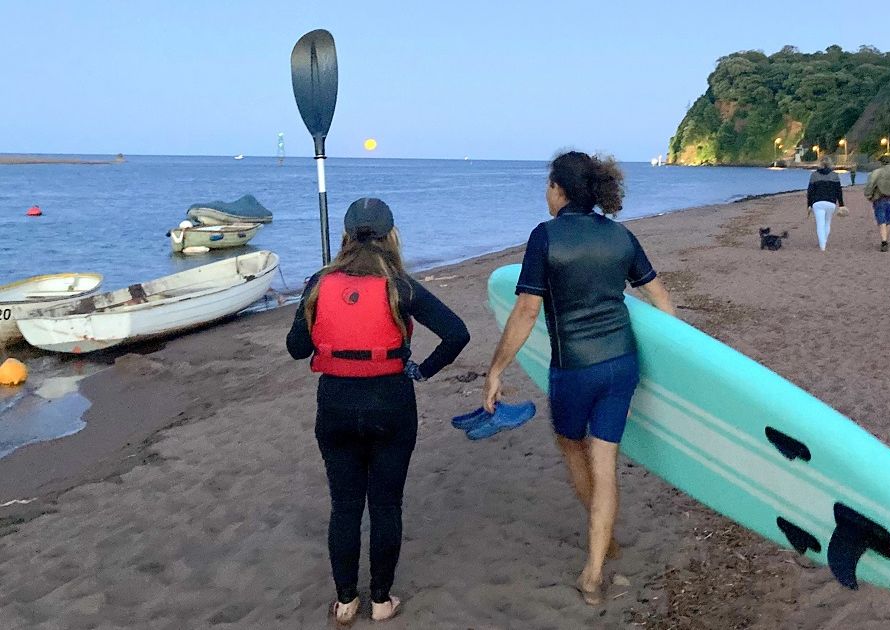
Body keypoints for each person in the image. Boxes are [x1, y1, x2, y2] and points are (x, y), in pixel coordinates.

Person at [483, 151, 675, 606]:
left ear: (560, 190)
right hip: (622, 362)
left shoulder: (545, 238)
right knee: (605, 461)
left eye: (548, 185)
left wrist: (496, 369)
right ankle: (595, 568)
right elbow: (661, 300)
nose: (545, 193)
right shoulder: (621, 236)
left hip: (574, 369)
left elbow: (527, 311)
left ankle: (603, 542)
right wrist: (669, 369)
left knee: (572, 446)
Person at [287, 197, 470, 625]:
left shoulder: (319, 282)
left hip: (335, 405)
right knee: (386, 505)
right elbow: (457, 333)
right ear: (391, 236)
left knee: (345, 506)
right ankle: (383, 602)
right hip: (391, 403)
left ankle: (347, 601)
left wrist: (319, 317)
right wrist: (422, 371)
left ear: (346, 236)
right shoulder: (400, 285)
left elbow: (297, 349)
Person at [806, 157, 845, 252]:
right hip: (831, 203)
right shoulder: (835, 175)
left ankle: (822, 246)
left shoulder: (814, 175)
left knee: (820, 224)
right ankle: (824, 241)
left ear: (820, 164)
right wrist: (841, 204)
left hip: (817, 202)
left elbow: (810, 191)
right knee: (827, 223)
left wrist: (809, 204)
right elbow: (838, 191)